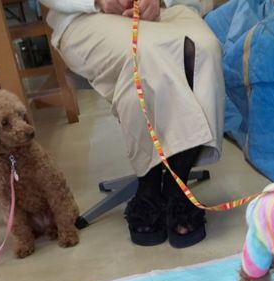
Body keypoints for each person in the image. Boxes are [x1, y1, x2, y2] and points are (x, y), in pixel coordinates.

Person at [41, 0, 225, 248]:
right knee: (145, 53)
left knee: (205, 48)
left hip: (166, 11)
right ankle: (149, 186)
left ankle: (177, 184)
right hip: (85, 18)